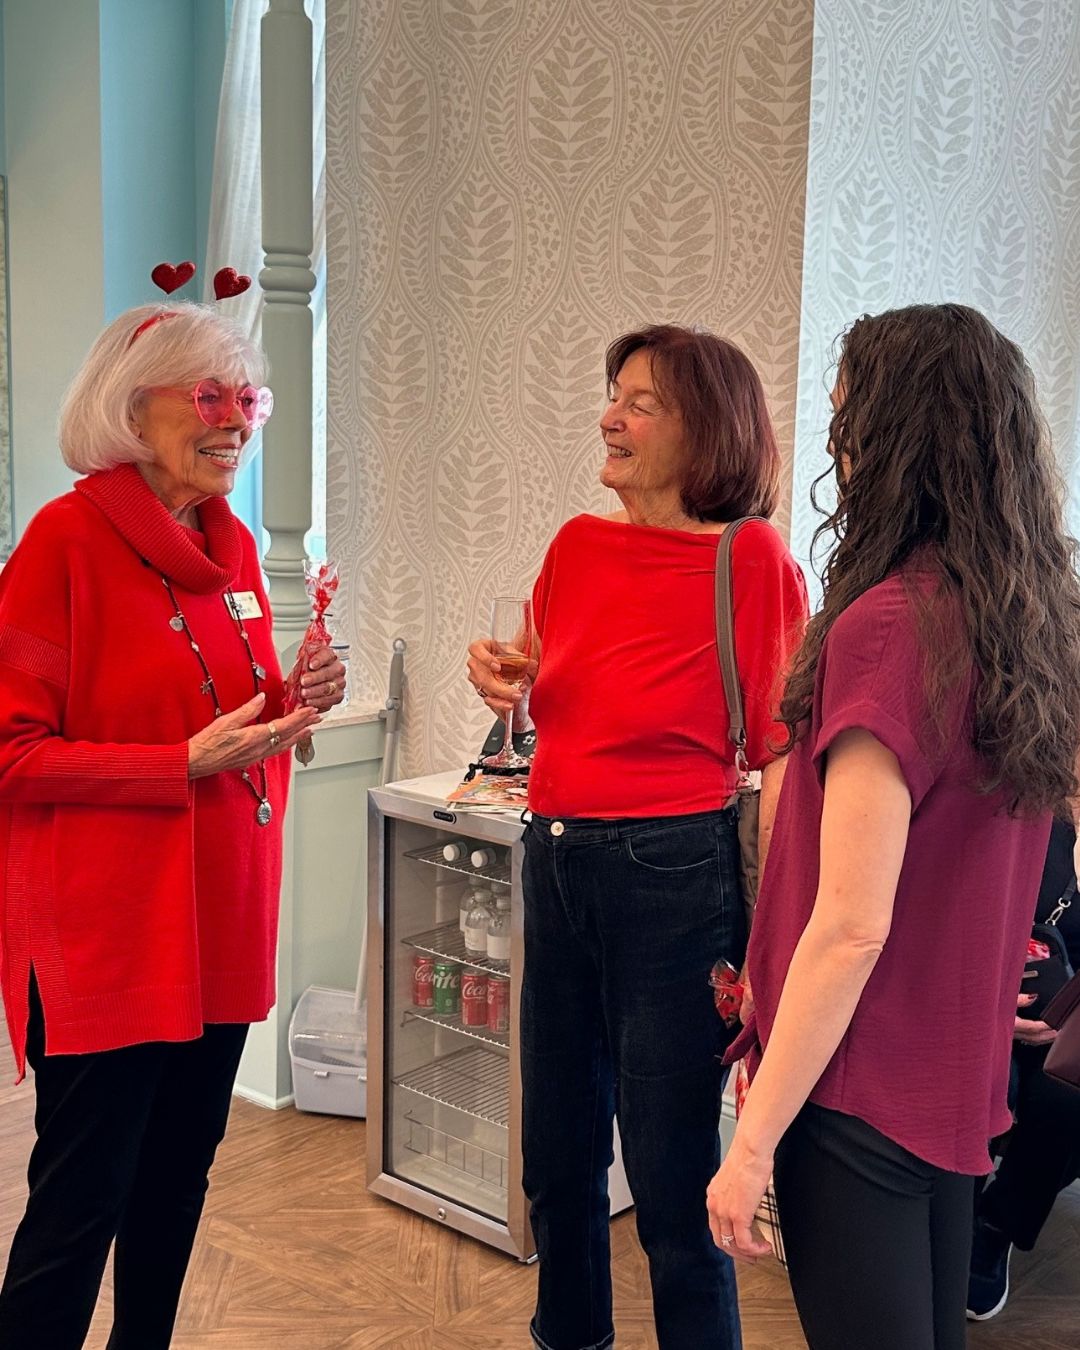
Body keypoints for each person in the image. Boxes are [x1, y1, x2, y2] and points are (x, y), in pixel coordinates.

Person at [706, 303, 1080, 1350]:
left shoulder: (888, 627)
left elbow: (851, 926)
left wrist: (751, 1145)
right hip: (950, 1072)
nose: (836, 451)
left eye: (848, 424)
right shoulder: (1023, 619)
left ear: (901, 439)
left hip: (859, 1079)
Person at [0, 300, 346, 1349]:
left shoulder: (228, 547)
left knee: (176, 1179)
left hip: (219, 915)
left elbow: (224, 714)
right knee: (82, 1201)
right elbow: (13, 750)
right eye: (209, 397)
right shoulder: (64, 542)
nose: (236, 419)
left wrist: (300, 695)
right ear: (127, 409)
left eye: (250, 398)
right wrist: (176, 766)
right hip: (110, 933)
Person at [468, 325, 808, 1350]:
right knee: (557, 1160)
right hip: (555, 852)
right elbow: (541, 690)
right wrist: (503, 687)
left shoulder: (750, 559)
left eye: (642, 402)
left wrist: (780, 934)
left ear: (708, 428)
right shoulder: (574, 544)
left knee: (669, 1180)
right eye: (612, 396)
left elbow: (780, 750)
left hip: (674, 872)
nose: (610, 418)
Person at [967, 816, 1080, 1320]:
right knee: (984, 1075)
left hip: (1069, 1026)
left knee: (1067, 1097)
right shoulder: (1021, 801)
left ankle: (996, 1226)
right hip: (972, 1001)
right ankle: (950, 1216)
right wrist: (989, 1011)